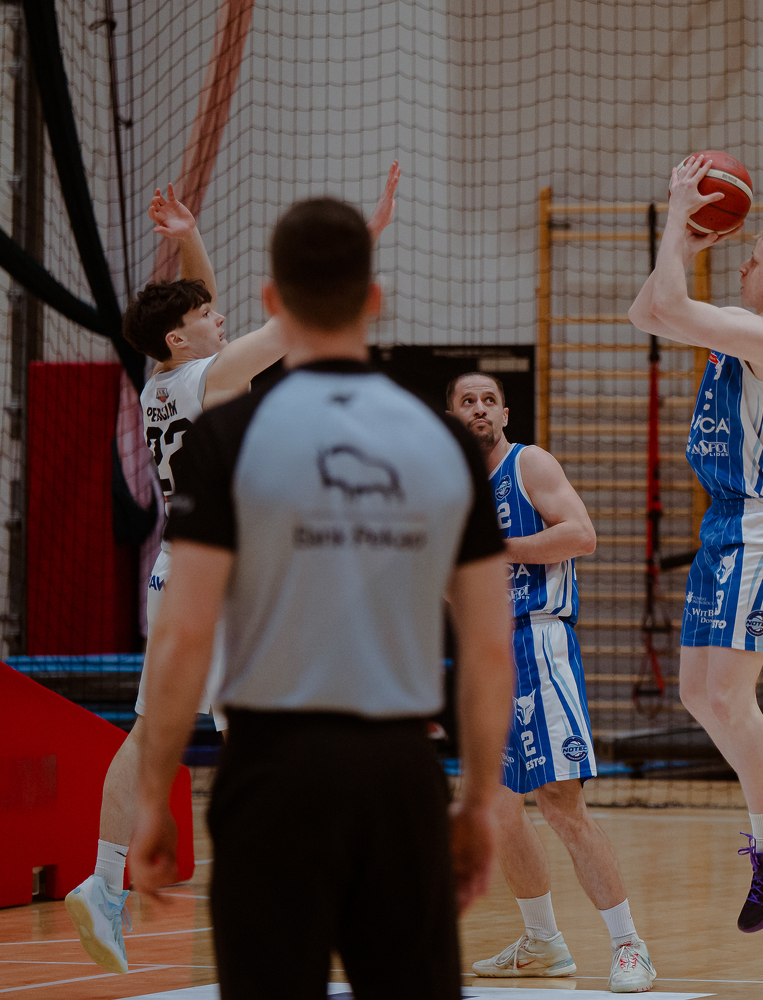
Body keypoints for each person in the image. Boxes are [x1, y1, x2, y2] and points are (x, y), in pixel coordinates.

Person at [127, 197, 513, 997]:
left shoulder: (225, 437)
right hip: (399, 772)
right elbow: (485, 645)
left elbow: (184, 635)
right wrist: (478, 800)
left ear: (272, 300)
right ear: (374, 299)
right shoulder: (445, 439)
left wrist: (156, 792)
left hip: (271, 773)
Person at [64, 165, 399, 974]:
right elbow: (299, 317)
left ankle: (105, 883)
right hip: (227, 578)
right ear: (183, 338)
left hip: (177, 571)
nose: (221, 318)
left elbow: (198, 311)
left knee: (157, 734)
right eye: (208, 317)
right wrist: (361, 240)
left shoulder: (160, 381)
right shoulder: (212, 374)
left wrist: (190, 242)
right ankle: (287, 898)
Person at [627, 156, 763, 932]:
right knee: (694, 693)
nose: (740, 267)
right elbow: (647, 313)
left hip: (762, 527)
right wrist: (680, 245)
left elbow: (672, 303)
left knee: (728, 697)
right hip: (724, 525)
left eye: (751, 260)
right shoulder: (741, 336)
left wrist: (679, 217)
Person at [448, 373, 656, 993]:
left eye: (489, 400)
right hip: (485, 651)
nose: (479, 409)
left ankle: (629, 946)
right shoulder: (450, 487)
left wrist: (494, 547)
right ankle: (543, 942)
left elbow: (580, 535)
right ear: (451, 414)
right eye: (467, 401)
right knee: (497, 805)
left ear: (505, 412)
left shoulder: (528, 463)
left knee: (560, 802)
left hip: (539, 639)